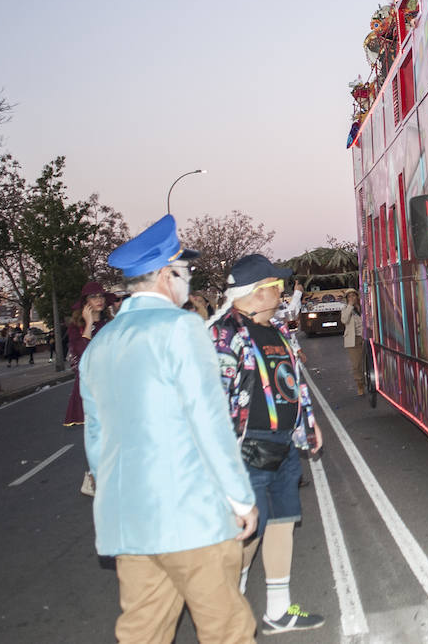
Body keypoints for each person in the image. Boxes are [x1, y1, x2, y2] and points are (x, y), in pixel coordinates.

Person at [79, 214, 259, 644]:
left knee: (143, 633)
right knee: (227, 630)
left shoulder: (99, 343)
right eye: (185, 272)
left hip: (129, 523)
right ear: (165, 275)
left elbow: (96, 441)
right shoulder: (182, 328)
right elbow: (208, 420)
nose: (188, 282)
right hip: (189, 517)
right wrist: (240, 499)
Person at [209, 254, 325, 634]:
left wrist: (307, 424)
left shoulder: (277, 330)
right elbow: (213, 400)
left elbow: (290, 384)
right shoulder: (223, 334)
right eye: (275, 285)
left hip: (283, 445)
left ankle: (278, 611)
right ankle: (232, 613)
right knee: (246, 532)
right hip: (245, 451)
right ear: (258, 293)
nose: (280, 291)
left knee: (282, 522)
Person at [64, 282, 110, 427]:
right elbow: (84, 355)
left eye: (101, 296)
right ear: (85, 302)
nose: (99, 299)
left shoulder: (110, 324)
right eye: (93, 296)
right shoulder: (76, 328)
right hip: (89, 388)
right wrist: (89, 324)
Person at [340, 289, 364, 395]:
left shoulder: (363, 307)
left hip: (365, 338)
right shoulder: (346, 309)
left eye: (353, 296)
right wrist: (350, 306)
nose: (352, 298)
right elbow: (344, 320)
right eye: (349, 297)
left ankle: (369, 380)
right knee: (356, 364)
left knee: (366, 361)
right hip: (353, 340)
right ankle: (360, 384)